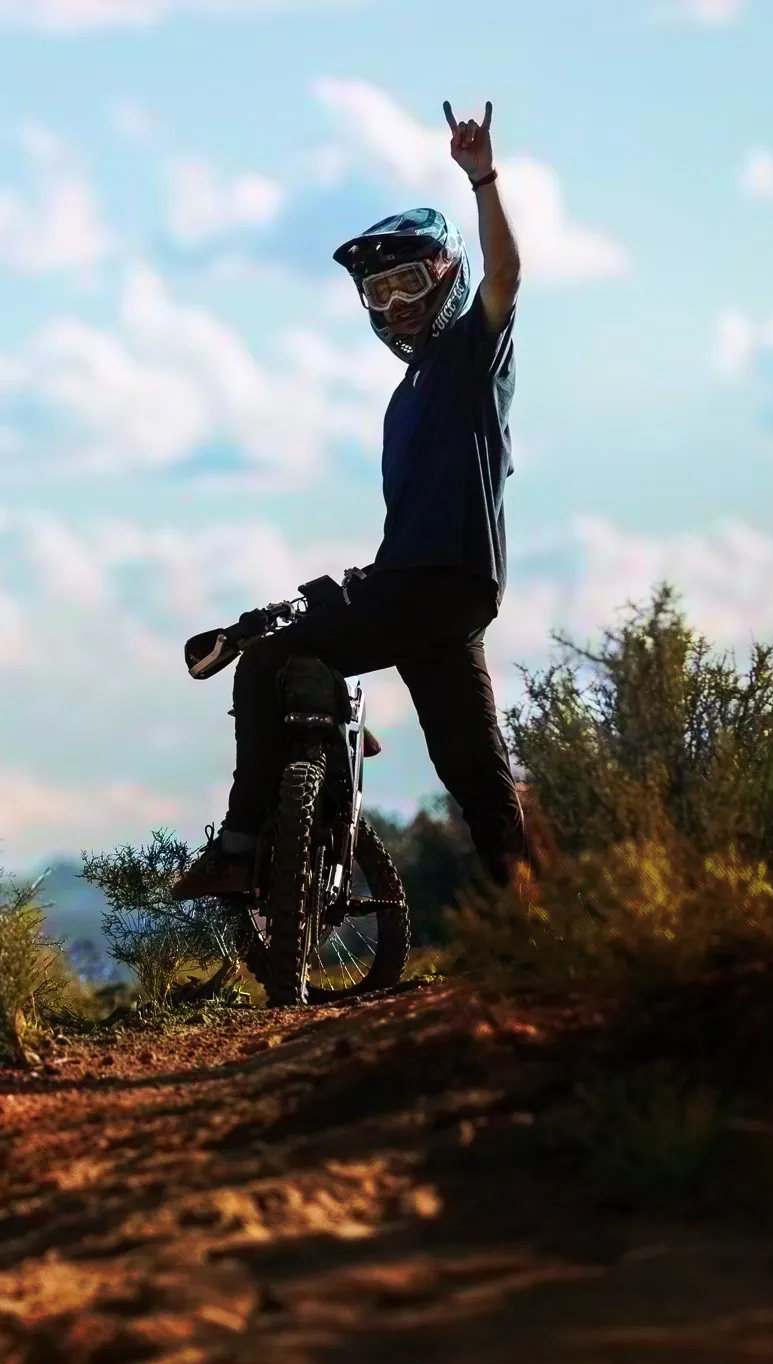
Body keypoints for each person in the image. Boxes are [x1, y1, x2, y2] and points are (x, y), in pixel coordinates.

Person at [172, 99, 534, 899]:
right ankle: (534, 920)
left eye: (408, 281)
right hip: (437, 592)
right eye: (378, 293)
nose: (396, 303)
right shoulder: (402, 401)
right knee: (474, 766)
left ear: (444, 276)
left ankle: (237, 846)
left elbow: (506, 276)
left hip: (440, 583)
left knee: (267, 658)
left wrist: (484, 179)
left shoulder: (471, 356)